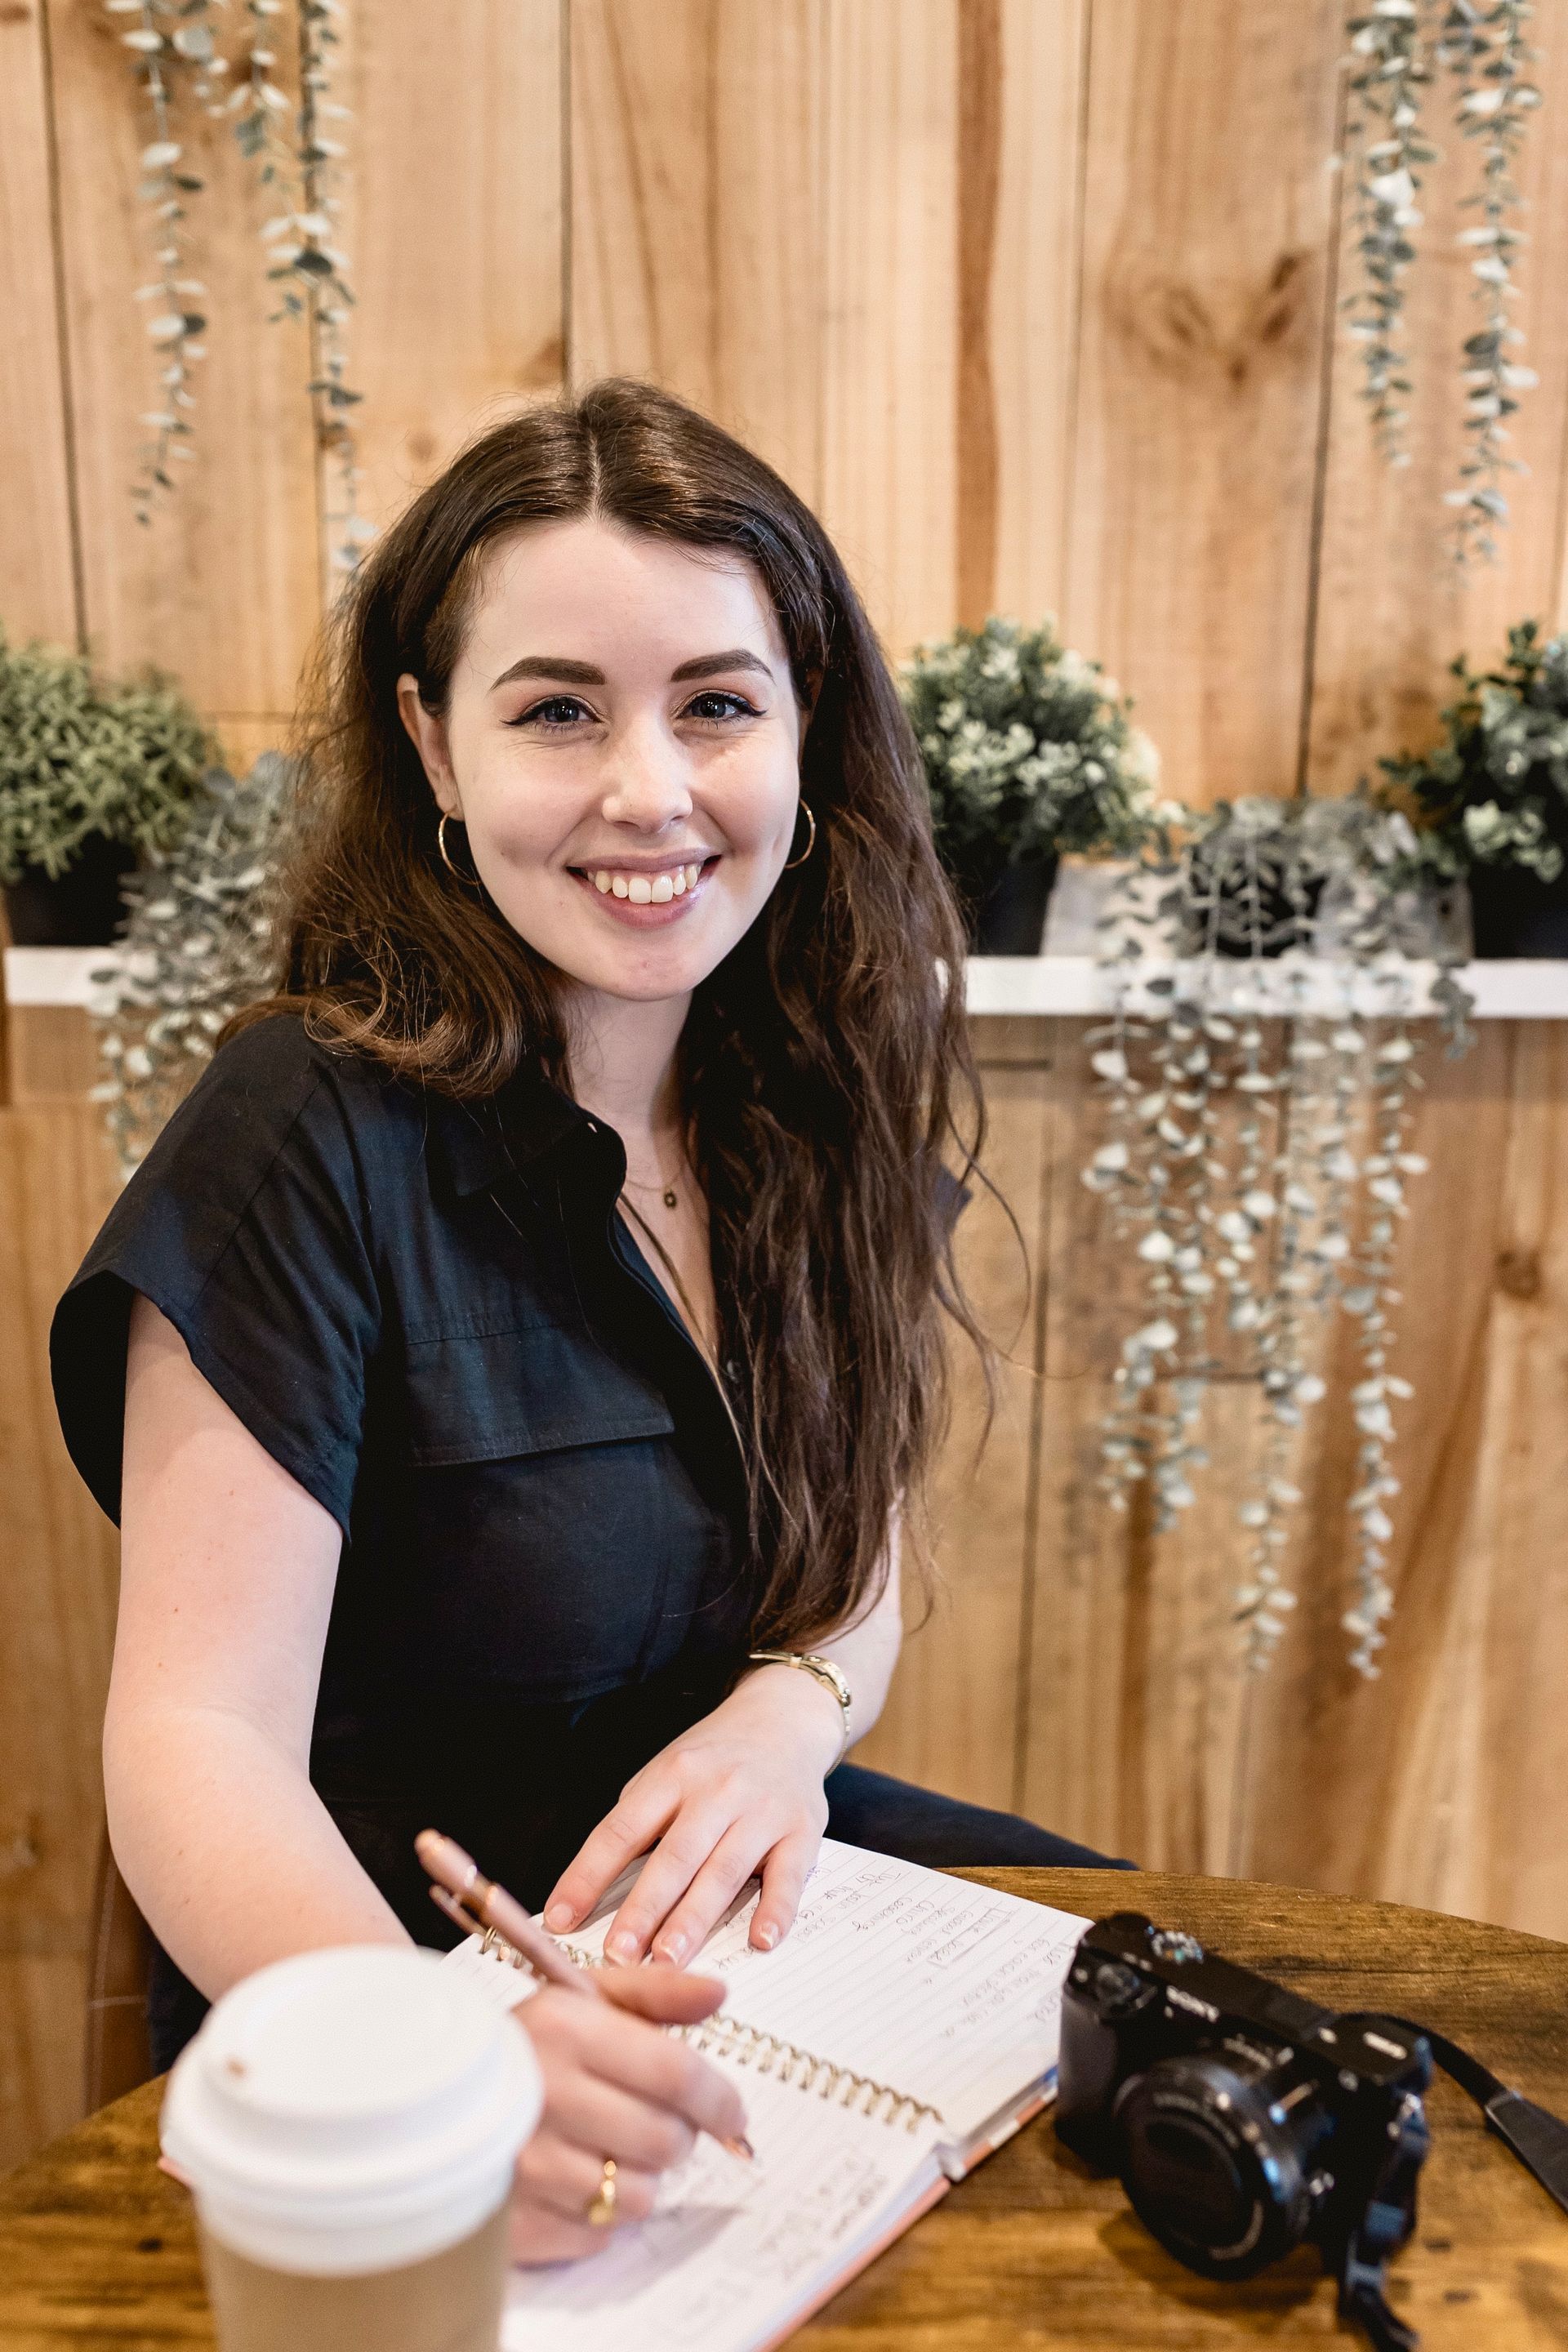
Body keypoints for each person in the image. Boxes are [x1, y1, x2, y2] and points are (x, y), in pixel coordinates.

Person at [51, 378, 1129, 2261]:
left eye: (718, 702)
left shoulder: (809, 1086)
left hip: (753, 1932)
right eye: (559, 708)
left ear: (806, 728)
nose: (652, 788)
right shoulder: (307, 1125)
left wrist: (788, 1720)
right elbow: (195, 1740)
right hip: (387, 1988)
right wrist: (428, 2067)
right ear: (436, 748)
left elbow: (852, 1564)